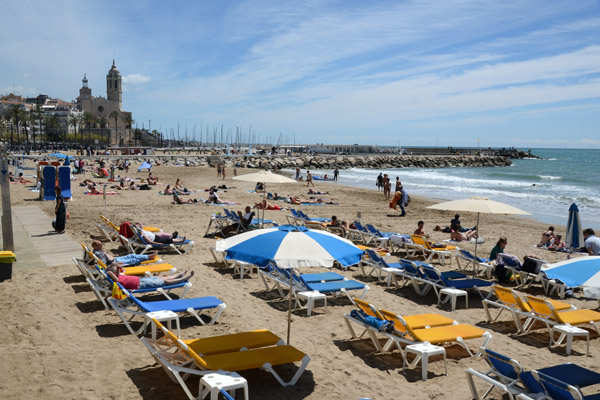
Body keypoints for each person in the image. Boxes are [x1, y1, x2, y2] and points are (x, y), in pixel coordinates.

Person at [106, 264, 194, 290]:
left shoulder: (119, 274)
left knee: (161, 278)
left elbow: (116, 265)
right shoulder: (115, 279)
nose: (116, 271)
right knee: (164, 282)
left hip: (141, 280)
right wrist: (110, 272)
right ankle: (183, 279)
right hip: (140, 285)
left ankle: (179, 275)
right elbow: (115, 278)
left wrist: (116, 267)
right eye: (114, 271)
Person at [91, 240, 158, 266]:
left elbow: (105, 257)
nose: (102, 245)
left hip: (115, 258)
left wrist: (113, 256)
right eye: (99, 245)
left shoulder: (98, 251)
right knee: (133, 260)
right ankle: (149, 257)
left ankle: (149, 256)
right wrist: (115, 263)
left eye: (101, 244)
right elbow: (103, 263)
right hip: (114, 262)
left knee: (132, 255)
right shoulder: (97, 253)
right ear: (94, 247)